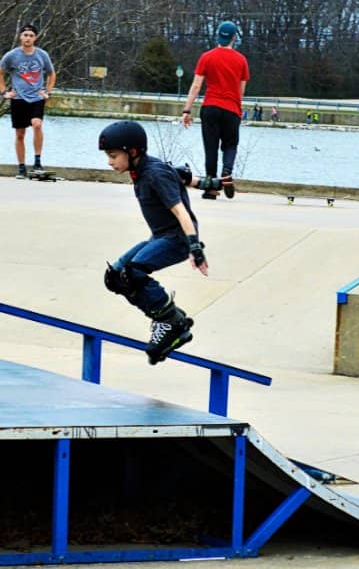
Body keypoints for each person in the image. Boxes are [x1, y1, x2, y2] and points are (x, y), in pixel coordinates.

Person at [98, 120, 214, 364]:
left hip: (177, 239)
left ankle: (170, 322)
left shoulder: (153, 173)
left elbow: (182, 212)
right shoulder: (142, 169)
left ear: (132, 152)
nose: (109, 162)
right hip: (160, 237)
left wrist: (195, 247)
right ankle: (167, 317)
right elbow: (178, 175)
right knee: (116, 277)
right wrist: (203, 183)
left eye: (113, 156)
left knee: (134, 273)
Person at [180, 20, 249, 201]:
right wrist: (236, 108)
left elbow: (196, 86)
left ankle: (210, 188)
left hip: (210, 107)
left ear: (218, 35)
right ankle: (226, 171)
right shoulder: (241, 60)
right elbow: (241, 91)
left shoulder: (207, 57)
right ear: (234, 37)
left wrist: (186, 110)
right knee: (230, 144)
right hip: (232, 109)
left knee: (210, 147)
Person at [0, 24, 55, 178]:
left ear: (35, 38)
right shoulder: (12, 55)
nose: (28, 38)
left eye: (31, 35)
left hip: (36, 97)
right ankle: (21, 167)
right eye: (25, 35)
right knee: (20, 134)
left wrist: (47, 92)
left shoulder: (42, 55)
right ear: (20, 37)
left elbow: (51, 74)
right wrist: (4, 92)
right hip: (18, 98)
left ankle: (37, 161)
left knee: (37, 124)